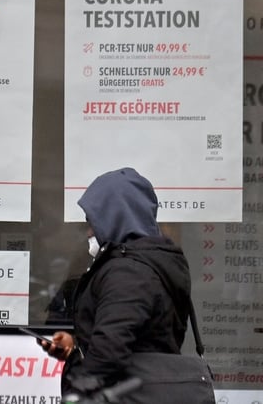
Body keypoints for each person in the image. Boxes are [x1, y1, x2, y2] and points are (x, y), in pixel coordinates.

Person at [38, 167, 192, 399]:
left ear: (115, 217)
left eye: (93, 221)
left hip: (126, 395)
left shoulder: (129, 271)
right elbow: (141, 334)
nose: (89, 230)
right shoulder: (149, 261)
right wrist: (76, 343)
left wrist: (78, 394)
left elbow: (111, 346)